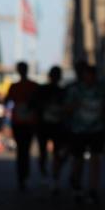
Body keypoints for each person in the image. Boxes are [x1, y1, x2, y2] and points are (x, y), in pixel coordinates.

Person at [65, 61, 105, 203]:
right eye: (86, 75)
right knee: (78, 159)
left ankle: (92, 189)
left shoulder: (101, 88)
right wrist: (76, 106)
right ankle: (76, 184)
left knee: (95, 159)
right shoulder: (75, 89)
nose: (89, 78)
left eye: (91, 75)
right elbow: (66, 109)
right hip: (78, 129)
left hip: (96, 129)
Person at [5, 62, 40, 191]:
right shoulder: (33, 86)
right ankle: (24, 174)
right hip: (25, 123)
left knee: (21, 150)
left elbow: (7, 101)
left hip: (20, 123)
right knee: (24, 149)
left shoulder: (15, 87)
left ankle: (22, 175)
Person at [35, 65, 68, 193]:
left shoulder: (60, 91)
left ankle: (51, 176)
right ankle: (51, 176)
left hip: (53, 126)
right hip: (47, 126)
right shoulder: (53, 91)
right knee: (48, 152)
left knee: (51, 152)